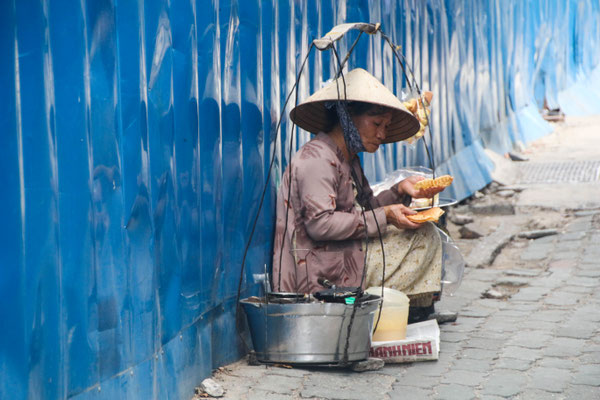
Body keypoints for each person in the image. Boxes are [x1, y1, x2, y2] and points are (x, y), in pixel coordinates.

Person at [272, 68, 446, 320]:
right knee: (421, 239)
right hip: (317, 270)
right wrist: (387, 215)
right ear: (347, 118)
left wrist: (399, 191)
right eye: (377, 124)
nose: (382, 134)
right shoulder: (317, 160)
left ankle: (405, 311)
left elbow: (366, 209)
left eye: (386, 126)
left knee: (426, 230)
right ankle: (388, 313)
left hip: (341, 251)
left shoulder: (347, 160)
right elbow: (320, 225)